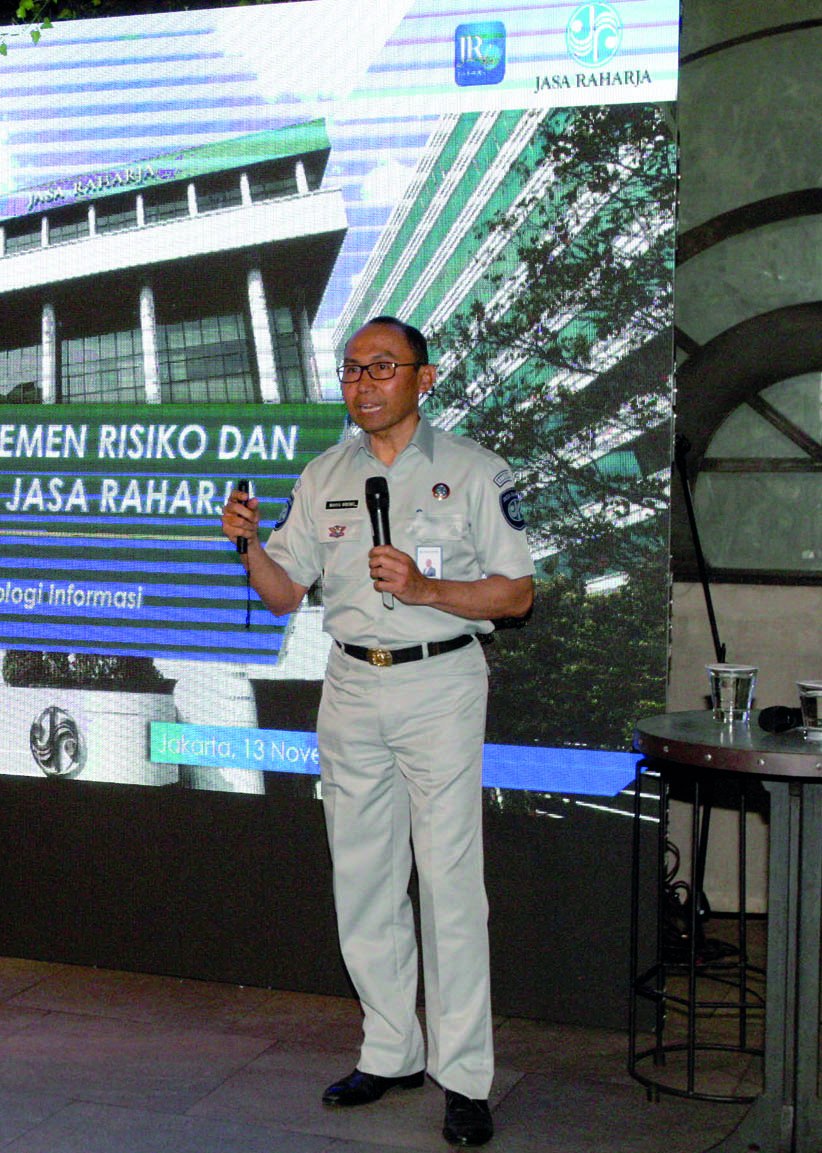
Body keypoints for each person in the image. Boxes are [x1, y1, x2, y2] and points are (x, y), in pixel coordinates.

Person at [221, 316, 534, 1148]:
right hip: (351, 683)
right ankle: (390, 1048)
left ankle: (464, 1077)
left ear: (422, 380)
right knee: (362, 878)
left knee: (448, 885)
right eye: (352, 369)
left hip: (439, 680)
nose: (362, 383)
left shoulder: (472, 469)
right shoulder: (322, 474)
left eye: (381, 367)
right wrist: (248, 547)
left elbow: (515, 596)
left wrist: (430, 593)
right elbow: (285, 592)